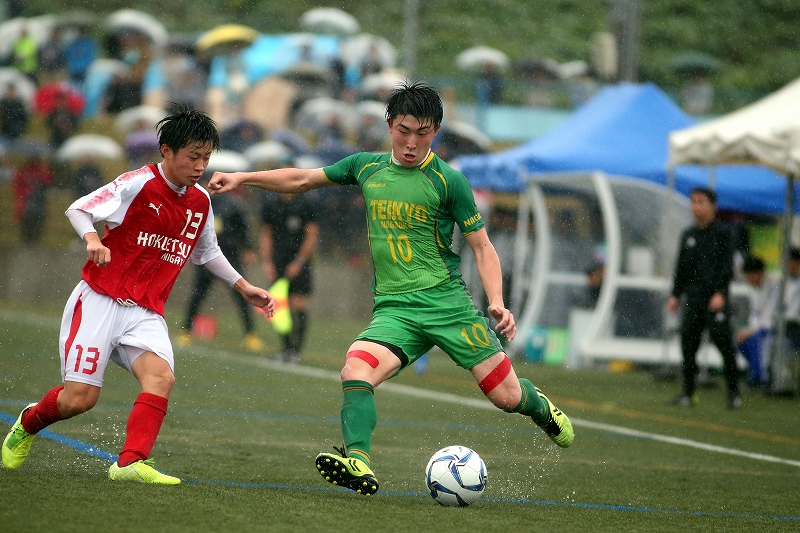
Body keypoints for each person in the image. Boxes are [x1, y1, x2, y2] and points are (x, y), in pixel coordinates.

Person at [208, 81, 574, 496]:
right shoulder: (366, 166)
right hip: (395, 310)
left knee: (507, 398)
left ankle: (541, 407)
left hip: (447, 305)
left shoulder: (449, 181)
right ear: (389, 125)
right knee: (355, 369)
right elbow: (303, 178)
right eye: (404, 130)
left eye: (423, 133)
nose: (412, 142)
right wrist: (243, 177)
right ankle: (358, 462)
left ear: (435, 131)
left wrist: (496, 301)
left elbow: (483, 246)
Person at [2, 107, 275, 484]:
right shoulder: (137, 183)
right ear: (167, 150)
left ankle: (130, 463)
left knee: (161, 378)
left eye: (206, 158)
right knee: (78, 400)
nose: (200, 166)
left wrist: (244, 287)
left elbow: (207, 251)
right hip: (99, 299)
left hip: (145, 311)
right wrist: (93, 238)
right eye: (193, 157)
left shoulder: (200, 202)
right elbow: (78, 208)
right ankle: (28, 423)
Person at [667, 187, 741, 409]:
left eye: (701, 202)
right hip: (694, 299)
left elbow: (727, 267)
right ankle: (688, 394)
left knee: (724, 345)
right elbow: (681, 269)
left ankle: (733, 394)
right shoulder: (688, 235)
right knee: (688, 345)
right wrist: (675, 295)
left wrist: (721, 293)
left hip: (715, 299)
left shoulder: (723, 233)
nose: (696, 207)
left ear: (712, 206)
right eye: (693, 202)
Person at [177, 173, 264, 352]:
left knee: (243, 295)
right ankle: (186, 330)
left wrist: (248, 248)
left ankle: (251, 335)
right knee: (197, 295)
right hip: (204, 257)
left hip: (230, 256)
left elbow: (243, 227)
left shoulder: (233, 203)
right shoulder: (198, 203)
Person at [260, 187, 320, 362]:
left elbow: (311, 235)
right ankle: (285, 349)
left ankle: (296, 351)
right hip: (279, 261)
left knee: (298, 305)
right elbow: (266, 235)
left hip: (299, 263)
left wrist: (299, 261)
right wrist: (267, 262)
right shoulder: (272, 205)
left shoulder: (306, 205)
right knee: (279, 308)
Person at [735, 255, 778, 387]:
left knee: (755, 338)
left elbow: (770, 315)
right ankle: (760, 371)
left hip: (775, 327)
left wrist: (750, 331)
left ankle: (759, 378)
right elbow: (755, 314)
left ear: (759, 273)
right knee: (739, 340)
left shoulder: (775, 285)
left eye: (749, 276)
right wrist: (747, 330)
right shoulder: (753, 288)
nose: (747, 280)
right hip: (760, 327)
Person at [12, 154, 53, 244]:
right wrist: (27, 190)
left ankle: (32, 242)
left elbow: (47, 181)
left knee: (35, 227)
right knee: (27, 227)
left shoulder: (41, 171)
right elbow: (17, 186)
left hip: (37, 202)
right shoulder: (23, 172)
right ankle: (28, 242)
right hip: (27, 203)